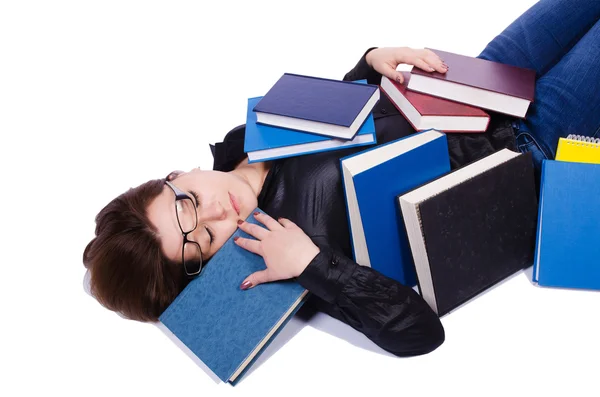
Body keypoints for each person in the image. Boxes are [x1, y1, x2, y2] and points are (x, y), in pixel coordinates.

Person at [83, 0, 600, 357]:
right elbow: (420, 333)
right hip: (531, 140)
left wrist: (369, 64)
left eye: (189, 203)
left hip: (476, 84)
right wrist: (314, 267)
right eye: (201, 244)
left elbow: (342, 117)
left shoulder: (239, 140)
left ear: (175, 175)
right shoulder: (288, 257)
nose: (219, 214)